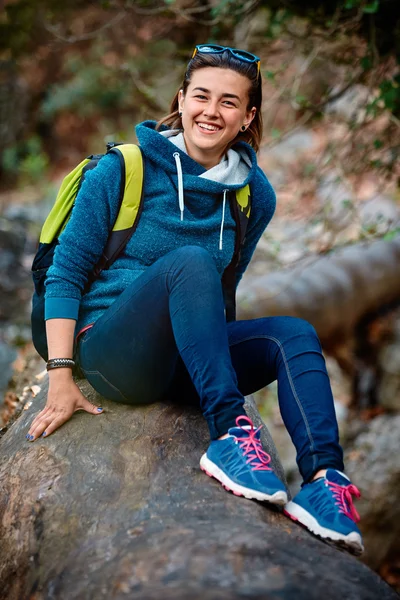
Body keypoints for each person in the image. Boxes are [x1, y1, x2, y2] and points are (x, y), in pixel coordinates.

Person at [26, 44, 363, 555]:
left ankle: (324, 483)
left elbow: (224, 291)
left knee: (294, 334)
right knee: (191, 260)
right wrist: (61, 377)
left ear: (248, 117)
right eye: (201, 96)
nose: (211, 111)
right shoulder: (122, 169)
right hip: (114, 350)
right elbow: (65, 274)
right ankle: (230, 434)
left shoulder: (255, 195)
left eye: (230, 102)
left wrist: (218, 362)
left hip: (183, 359)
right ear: (181, 100)